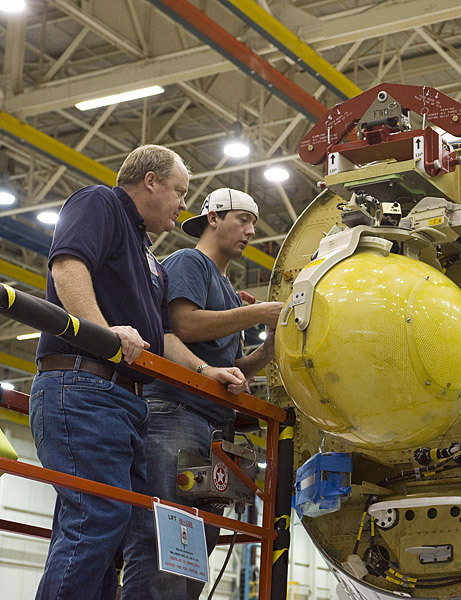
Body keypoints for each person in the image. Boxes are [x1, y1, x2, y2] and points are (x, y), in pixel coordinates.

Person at [29, 145, 246, 600]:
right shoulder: (99, 203)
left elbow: (163, 336)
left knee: (112, 527)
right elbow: (67, 266)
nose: (184, 204)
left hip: (123, 399)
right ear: (150, 181)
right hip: (83, 384)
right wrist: (105, 332)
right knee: (99, 517)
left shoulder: (149, 257)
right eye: (179, 191)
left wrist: (208, 369)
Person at [122, 188, 283, 600]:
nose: (250, 231)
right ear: (213, 217)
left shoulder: (226, 289)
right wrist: (260, 312)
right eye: (242, 219)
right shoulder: (190, 262)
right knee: (165, 549)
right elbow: (182, 326)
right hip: (176, 413)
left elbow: (226, 370)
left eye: (254, 223)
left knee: (191, 555)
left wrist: (266, 351)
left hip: (210, 425)